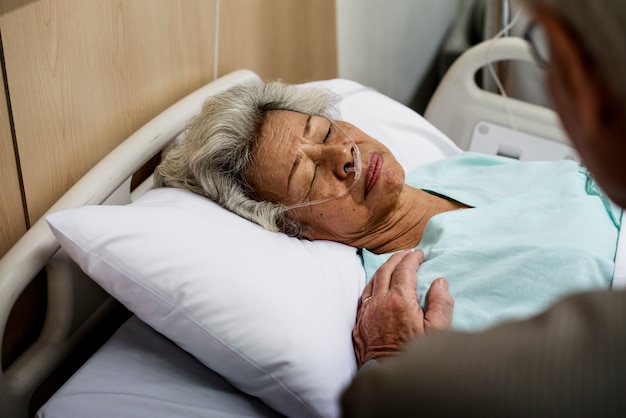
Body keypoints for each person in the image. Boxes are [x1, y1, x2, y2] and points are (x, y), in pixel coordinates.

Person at [155, 74, 619, 338]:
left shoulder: (444, 173)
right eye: (308, 173)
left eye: (323, 131)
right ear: (296, 228)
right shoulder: (407, 298)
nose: (344, 155)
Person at [339, 0, 626, 416]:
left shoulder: (592, 360)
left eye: (548, 48)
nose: (343, 154)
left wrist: (396, 360)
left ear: (595, 93)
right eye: (303, 173)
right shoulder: (446, 176)